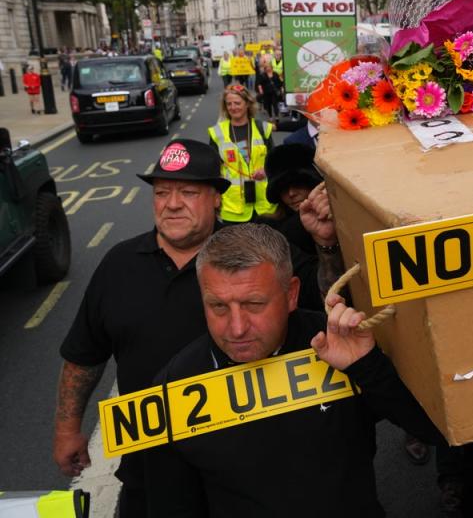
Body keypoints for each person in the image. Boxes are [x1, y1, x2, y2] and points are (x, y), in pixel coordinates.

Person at [144, 223, 445, 517]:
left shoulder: (338, 343)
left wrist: (367, 366)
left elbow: (434, 431)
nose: (236, 328)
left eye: (254, 304)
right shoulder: (174, 386)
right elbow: (172, 504)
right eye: (218, 307)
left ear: (291, 294)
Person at [54, 140, 230, 516]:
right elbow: (84, 355)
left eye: (188, 192)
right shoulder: (118, 265)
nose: (172, 203)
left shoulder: (251, 253)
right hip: (148, 475)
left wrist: (327, 248)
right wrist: (68, 429)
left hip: (237, 473)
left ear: (215, 197)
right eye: (162, 192)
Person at [208, 84, 276, 223]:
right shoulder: (217, 133)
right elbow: (214, 170)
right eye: (229, 104)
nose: (233, 107)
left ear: (247, 104)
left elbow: (274, 161)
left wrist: (266, 170)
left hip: (264, 205)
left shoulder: (262, 128)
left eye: (237, 103)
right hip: (233, 208)